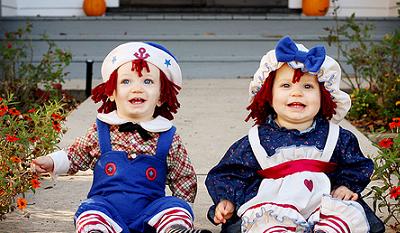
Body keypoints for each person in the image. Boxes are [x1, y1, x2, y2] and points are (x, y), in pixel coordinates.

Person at [32, 42, 211, 233]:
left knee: (175, 207)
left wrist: (180, 210)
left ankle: (175, 230)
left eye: (148, 81)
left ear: (160, 96)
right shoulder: (101, 131)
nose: (137, 88)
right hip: (108, 210)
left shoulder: (167, 137)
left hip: (151, 214)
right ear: (111, 92)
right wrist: (51, 162)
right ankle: (97, 231)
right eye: (126, 81)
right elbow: (75, 155)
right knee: (89, 210)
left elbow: (183, 176)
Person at [205, 36, 374, 233]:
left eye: (308, 86)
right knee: (266, 223)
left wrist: (346, 186)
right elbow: (228, 173)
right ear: (268, 94)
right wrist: (227, 199)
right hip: (274, 206)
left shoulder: (336, 137)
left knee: (343, 219)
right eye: (286, 86)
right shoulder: (257, 141)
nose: (297, 93)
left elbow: (356, 165)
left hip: (323, 203)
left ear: (324, 95)